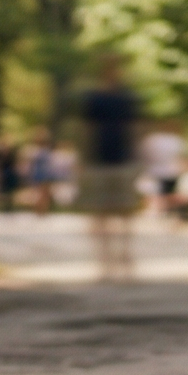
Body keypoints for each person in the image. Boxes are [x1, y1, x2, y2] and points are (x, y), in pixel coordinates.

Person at [76, 56, 142, 282]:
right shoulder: (94, 99)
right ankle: (104, 261)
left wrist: (137, 157)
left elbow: (135, 128)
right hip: (98, 161)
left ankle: (125, 256)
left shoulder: (127, 98)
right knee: (100, 211)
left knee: (125, 210)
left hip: (123, 160)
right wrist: (83, 159)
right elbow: (87, 129)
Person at [141, 120, 188, 225]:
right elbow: (181, 155)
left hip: (155, 169)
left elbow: (145, 154)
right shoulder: (176, 140)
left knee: (156, 191)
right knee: (168, 192)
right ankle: (168, 212)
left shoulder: (152, 139)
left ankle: (159, 211)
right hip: (171, 170)